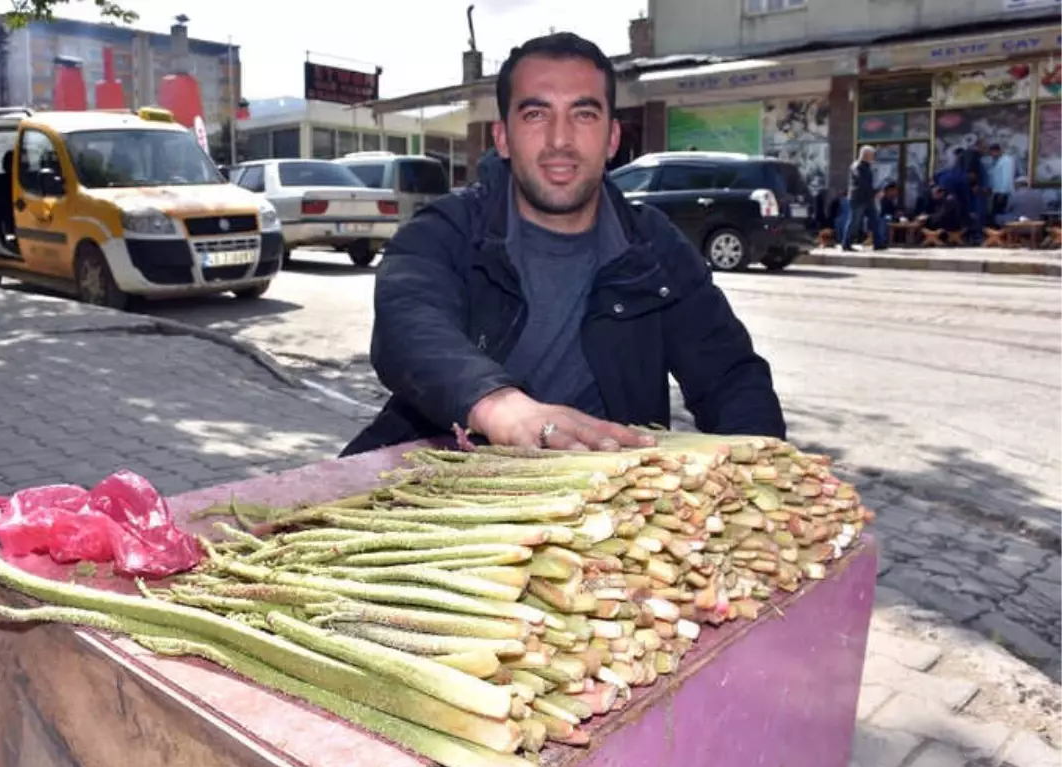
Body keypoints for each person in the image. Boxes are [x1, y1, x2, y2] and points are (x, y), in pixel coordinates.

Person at [341, 32, 785, 457]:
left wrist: (763, 470)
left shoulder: (654, 246)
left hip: (610, 505)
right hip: (443, 488)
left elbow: (729, 376)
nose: (559, 140)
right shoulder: (446, 230)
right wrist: (499, 406)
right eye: (535, 114)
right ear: (503, 138)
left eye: (584, 114)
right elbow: (410, 326)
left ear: (613, 138)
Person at [844, 145, 877, 251]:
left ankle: (879, 243)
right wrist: (874, 192)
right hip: (858, 198)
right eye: (872, 155)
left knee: (874, 220)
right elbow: (862, 183)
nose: (873, 157)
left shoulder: (866, 166)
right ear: (866, 155)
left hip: (867, 198)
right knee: (854, 222)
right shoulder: (857, 166)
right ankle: (846, 244)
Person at [987, 143, 1015, 218]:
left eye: (992, 153)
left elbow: (1007, 177)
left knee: (1000, 214)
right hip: (997, 192)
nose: (991, 155)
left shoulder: (1007, 161)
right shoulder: (997, 161)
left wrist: (1002, 193)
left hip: (1003, 193)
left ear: (997, 151)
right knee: (996, 214)